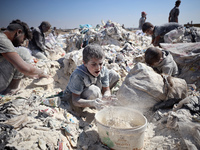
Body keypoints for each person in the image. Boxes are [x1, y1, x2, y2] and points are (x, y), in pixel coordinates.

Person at [62, 44, 120, 116]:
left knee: (114, 75)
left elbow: (106, 89)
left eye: (100, 63)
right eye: (93, 64)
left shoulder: (103, 70)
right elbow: (75, 100)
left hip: (93, 90)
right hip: (77, 101)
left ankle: (99, 99)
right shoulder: (78, 75)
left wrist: (106, 96)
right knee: (94, 91)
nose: (98, 68)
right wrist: (93, 103)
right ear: (84, 63)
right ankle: (95, 102)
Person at [0, 19, 48, 95]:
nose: (23, 42)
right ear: (18, 32)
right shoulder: (3, 40)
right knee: (22, 52)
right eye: (24, 38)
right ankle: (12, 88)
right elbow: (25, 68)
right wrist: (41, 72)